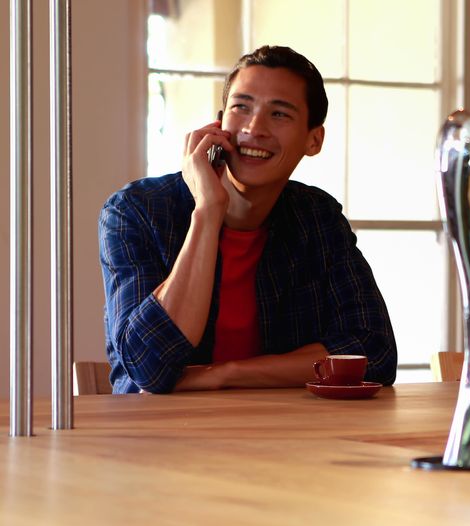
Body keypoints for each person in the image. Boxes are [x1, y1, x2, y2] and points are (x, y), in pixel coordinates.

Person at [99, 46, 397, 394]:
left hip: (285, 435)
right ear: (219, 123)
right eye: (241, 108)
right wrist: (208, 212)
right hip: (160, 436)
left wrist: (224, 374)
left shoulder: (317, 218)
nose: (254, 128)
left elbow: (372, 353)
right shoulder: (135, 211)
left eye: (280, 114)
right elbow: (150, 369)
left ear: (313, 139)